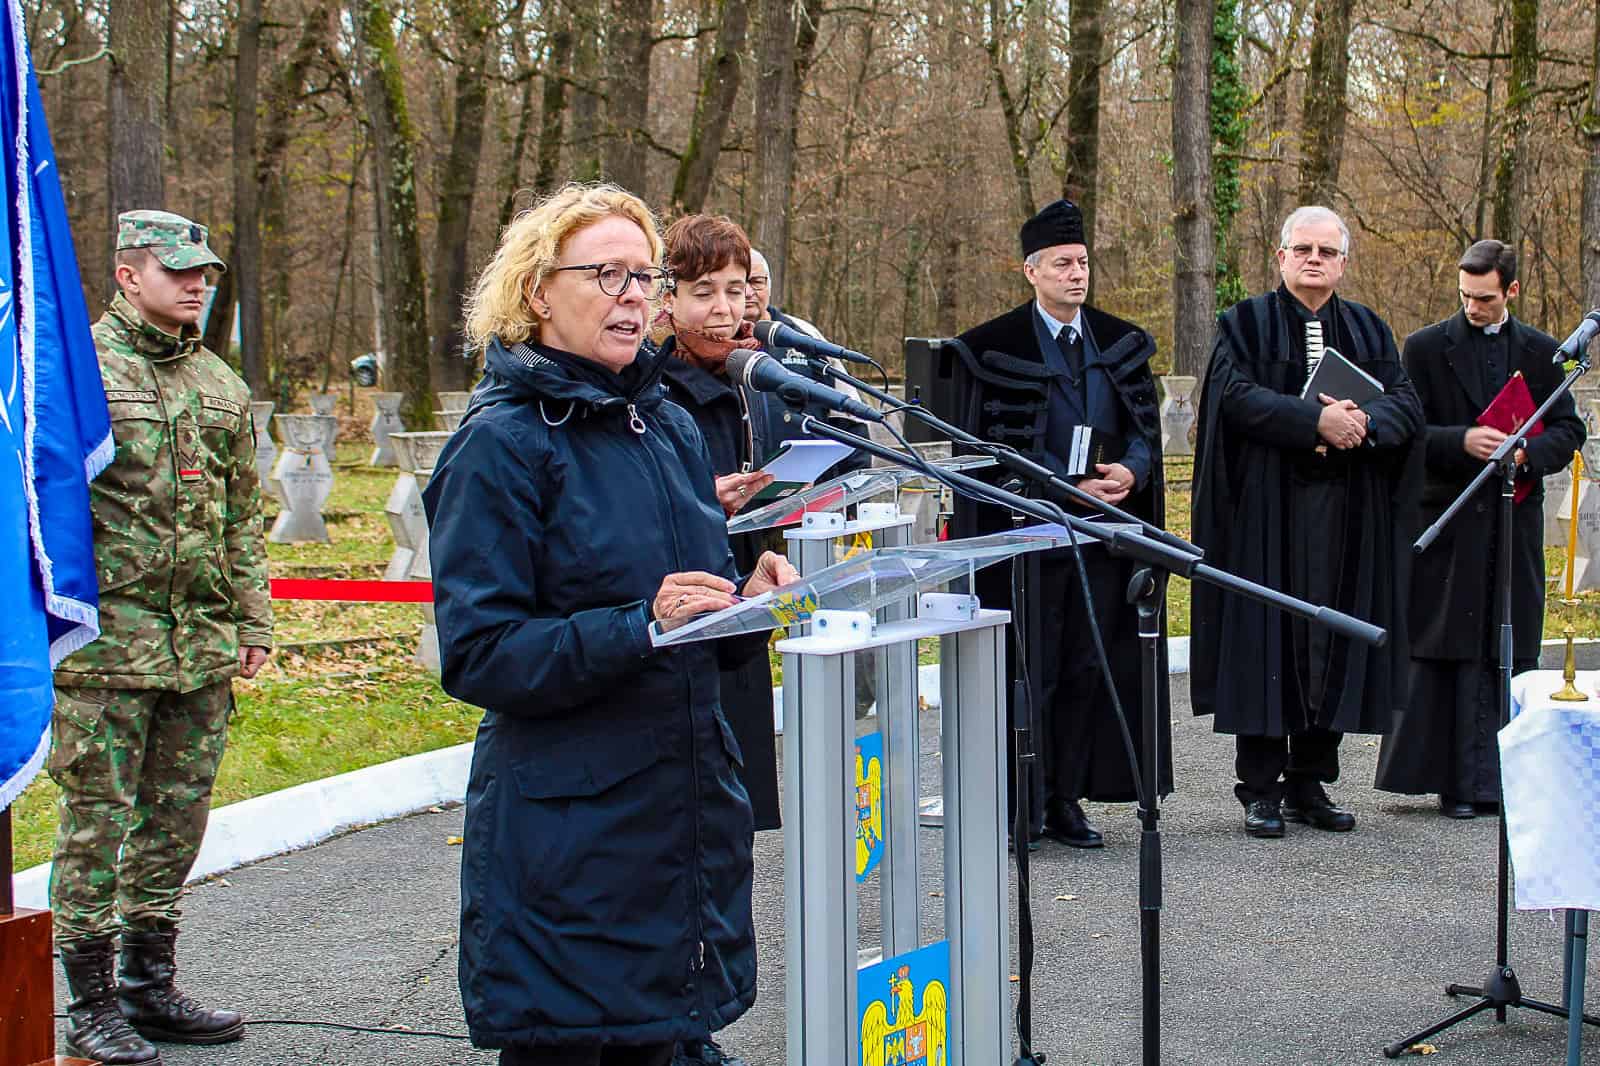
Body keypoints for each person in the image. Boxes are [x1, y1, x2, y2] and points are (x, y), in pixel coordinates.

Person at [422, 183, 797, 1066]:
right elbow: (480, 653)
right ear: (537, 291)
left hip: (684, 819)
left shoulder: (660, 421)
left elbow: (687, 602)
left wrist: (750, 603)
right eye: (609, 274)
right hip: (572, 848)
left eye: (645, 276)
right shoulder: (502, 443)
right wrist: (641, 624)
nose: (636, 295)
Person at [50, 210, 270, 1065]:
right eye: (178, 272)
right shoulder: (76, 374)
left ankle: (149, 982)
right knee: (95, 823)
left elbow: (241, 516)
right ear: (125, 274)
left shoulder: (219, 383)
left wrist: (252, 617)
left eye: (206, 274)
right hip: (107, 646)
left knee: (174, 823)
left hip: (199, 646)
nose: (196, 285)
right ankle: (92, 999)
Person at [1191, 205, 1423, 840]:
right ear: (1281, 257)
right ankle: (1261, 790)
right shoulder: (1242, 325)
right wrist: (1311, 422)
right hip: (1269, 516)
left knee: (1335, 645)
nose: (1314, 260)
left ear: (1344, 262)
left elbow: (1405, 404)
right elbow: (1233, 399)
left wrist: (1364, 424)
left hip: (1348, 517)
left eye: (1327, 251)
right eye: (1303, 249)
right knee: (1268, 641)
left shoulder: (1371, 330)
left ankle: (1311, 783)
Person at [950, 198, 1172, 849]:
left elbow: (1143, 429)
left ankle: (1067, 799)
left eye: (1082, 263)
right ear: (1032, 271)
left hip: (1103, 539)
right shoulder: (997, 348)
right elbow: (987, 446)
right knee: (1031, 674)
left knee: (1085, 671)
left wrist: (1131, 472)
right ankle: (1022, 804)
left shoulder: (1116, 342)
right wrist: (1055, 487)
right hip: (1031, 543)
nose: (1077, 275)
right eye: (1062, 264)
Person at [1376, 239, 1584, 816]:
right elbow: (1405, 429)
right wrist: (1460, 440)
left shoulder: (1544, 353)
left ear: (1511, 291)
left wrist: (1524, 456)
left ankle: (1500, 781)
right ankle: (1450, 781)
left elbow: (1568, 432)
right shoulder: (1422, 348)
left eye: (1485, 298)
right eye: (1465, 296)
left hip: (1512, 524)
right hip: (1449, 518)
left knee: (1506, 643)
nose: (1472, 306)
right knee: (1447, 643)